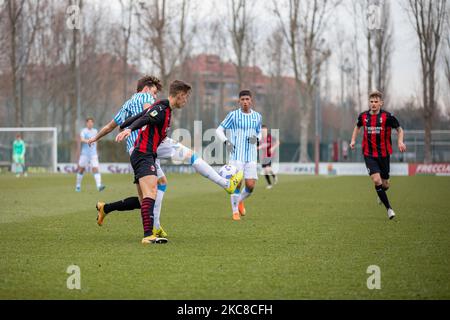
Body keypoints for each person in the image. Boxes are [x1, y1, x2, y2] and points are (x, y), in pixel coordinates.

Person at [88, 76, 243, 238]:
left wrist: (101, 136)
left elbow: (110, 126)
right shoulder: (147, 97)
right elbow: (148, 116)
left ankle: (107, 209)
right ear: (147, 88)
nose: (155, 95)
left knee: (152, 193)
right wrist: (132, 127)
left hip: (141, 148)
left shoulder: (126, 105)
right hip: (147, 147)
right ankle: (151, 228)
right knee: (150, 196)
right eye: (154, 92)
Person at [115, 80, 192, 244]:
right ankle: (148, 234)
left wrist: (125, 124)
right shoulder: (160, 108)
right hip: (143, 154)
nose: (186, 100)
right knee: (150, 194)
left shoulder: (163, 108)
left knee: (147, 196)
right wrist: (128, 129)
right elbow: (145, 119)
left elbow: (141, 116)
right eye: (185, 97)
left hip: (145, 154)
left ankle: (150, 231)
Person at [350, 90, 406, 220]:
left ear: (381, 103)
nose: (373, 104)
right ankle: (389, 209)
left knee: (385, 184)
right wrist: (353, 140)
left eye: (376, 102)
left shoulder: (388, 117)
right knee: (376, 180)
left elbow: (399, 129)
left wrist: (400, 141)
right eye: (371, 102)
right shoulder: (363, 116)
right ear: (369, 103)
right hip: (369, 154)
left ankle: (380, 193)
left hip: (384, 154)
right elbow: (357, 127)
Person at [216, 89, 262, 221]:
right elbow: (219, 130)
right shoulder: (233, 115)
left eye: (247, 99)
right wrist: (226, 142)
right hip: (236, 155)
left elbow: (259, 132)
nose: (245, 102)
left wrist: (257, 139)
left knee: (250, 186)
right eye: (242, 100)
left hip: (251, 156)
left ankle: (240, 200)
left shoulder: (257, 116)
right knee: (237, 183)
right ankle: (235, 211)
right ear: (239, 101)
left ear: (251, 101)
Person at [75, 118, 105, 192]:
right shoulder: (84, 131)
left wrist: (96, 150)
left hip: (93, 154)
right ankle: (78, 186)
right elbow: (81, 139)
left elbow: (97, 141)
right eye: (89, 122)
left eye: (91, 122)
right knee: (81, 169)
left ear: (93, 123)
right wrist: (88, 141)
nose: (90, 124)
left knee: (95, 168)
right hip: (85, 154)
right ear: (86, 123)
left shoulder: (95, 131)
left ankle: (99, 186)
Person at [258, 125, 280, 189]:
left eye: (264, 130)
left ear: (266, 130)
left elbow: (278, 142)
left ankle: (270, 184)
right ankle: (273, 177)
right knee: (265, 171)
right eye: (262, 130)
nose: (263, 131)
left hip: (270, 155)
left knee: (267, 169)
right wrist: (258, 147)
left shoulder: (270, 137)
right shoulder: (260, 138)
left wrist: (273, 148)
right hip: (264, 156)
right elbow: (260, 146)